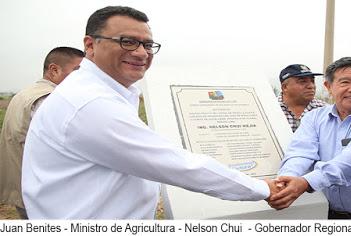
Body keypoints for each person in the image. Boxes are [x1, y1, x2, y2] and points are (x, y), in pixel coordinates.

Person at [21, 6, 277, 219]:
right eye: (127, 41)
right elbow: (178, 165)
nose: (141, 53)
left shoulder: (104, 93)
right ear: (90, 45)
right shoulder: (89, 103)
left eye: (147, 44)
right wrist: (261, 188)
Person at [269, 57, 351, 219]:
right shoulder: (314, 117)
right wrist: (286, 179)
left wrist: (305, 183)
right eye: (345, 82)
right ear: (328, 86)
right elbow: (301, 152)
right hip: (333, 216)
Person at [0, 47, 84, 219]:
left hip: (22, 185)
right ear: (54, 69)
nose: (83, 78)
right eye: (77, 71)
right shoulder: (49, 99)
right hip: (41, 191)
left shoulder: (25, 94)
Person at [278, 64, 326, 132]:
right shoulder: (269, 110)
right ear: (285, 87)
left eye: (312, 81)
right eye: (302, 82)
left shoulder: (325, 111)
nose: (311, 86)